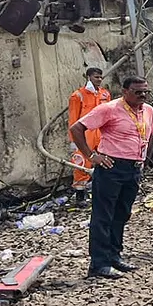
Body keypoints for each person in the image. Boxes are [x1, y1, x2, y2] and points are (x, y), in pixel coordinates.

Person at [70, 77, 153, 278]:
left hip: (133, 168)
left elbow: (151, 134)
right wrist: (92, 156)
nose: (142, 96)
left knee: (122, 213)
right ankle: (98, 264)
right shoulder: (109, 108)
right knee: (103, 216)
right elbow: (76, 129)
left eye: (145, 92)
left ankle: (114, 255)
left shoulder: (148, 110)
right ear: (125, 92)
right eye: (137, 92)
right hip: (112, 167)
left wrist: (145, 158)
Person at [67, 67, 110, 205]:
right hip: (85, 133)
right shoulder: (78, 95)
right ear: (89, 77)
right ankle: (80, 195)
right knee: (81, 162)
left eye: (100, 77)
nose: (99, 80)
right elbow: (73, 119)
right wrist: (74, 139)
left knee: (105, 160)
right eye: (96, 77)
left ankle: (103, 191)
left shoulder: (104, 94)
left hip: (101, 131)